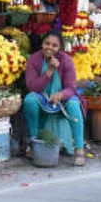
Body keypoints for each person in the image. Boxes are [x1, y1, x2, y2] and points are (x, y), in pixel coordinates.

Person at [22, 31, 86, 166]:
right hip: (42, 96)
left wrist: (60, 95)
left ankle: (79, 149)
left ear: (60, 48)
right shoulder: (34, 60)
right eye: (47, 43)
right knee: (29, 100)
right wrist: (49, 71)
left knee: (74, 104)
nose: (49, 48)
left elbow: (71, 88)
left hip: (61, 98)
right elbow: (32, 86)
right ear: (42, 44)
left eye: (54, 45)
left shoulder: (66, 60)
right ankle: (33, 144)